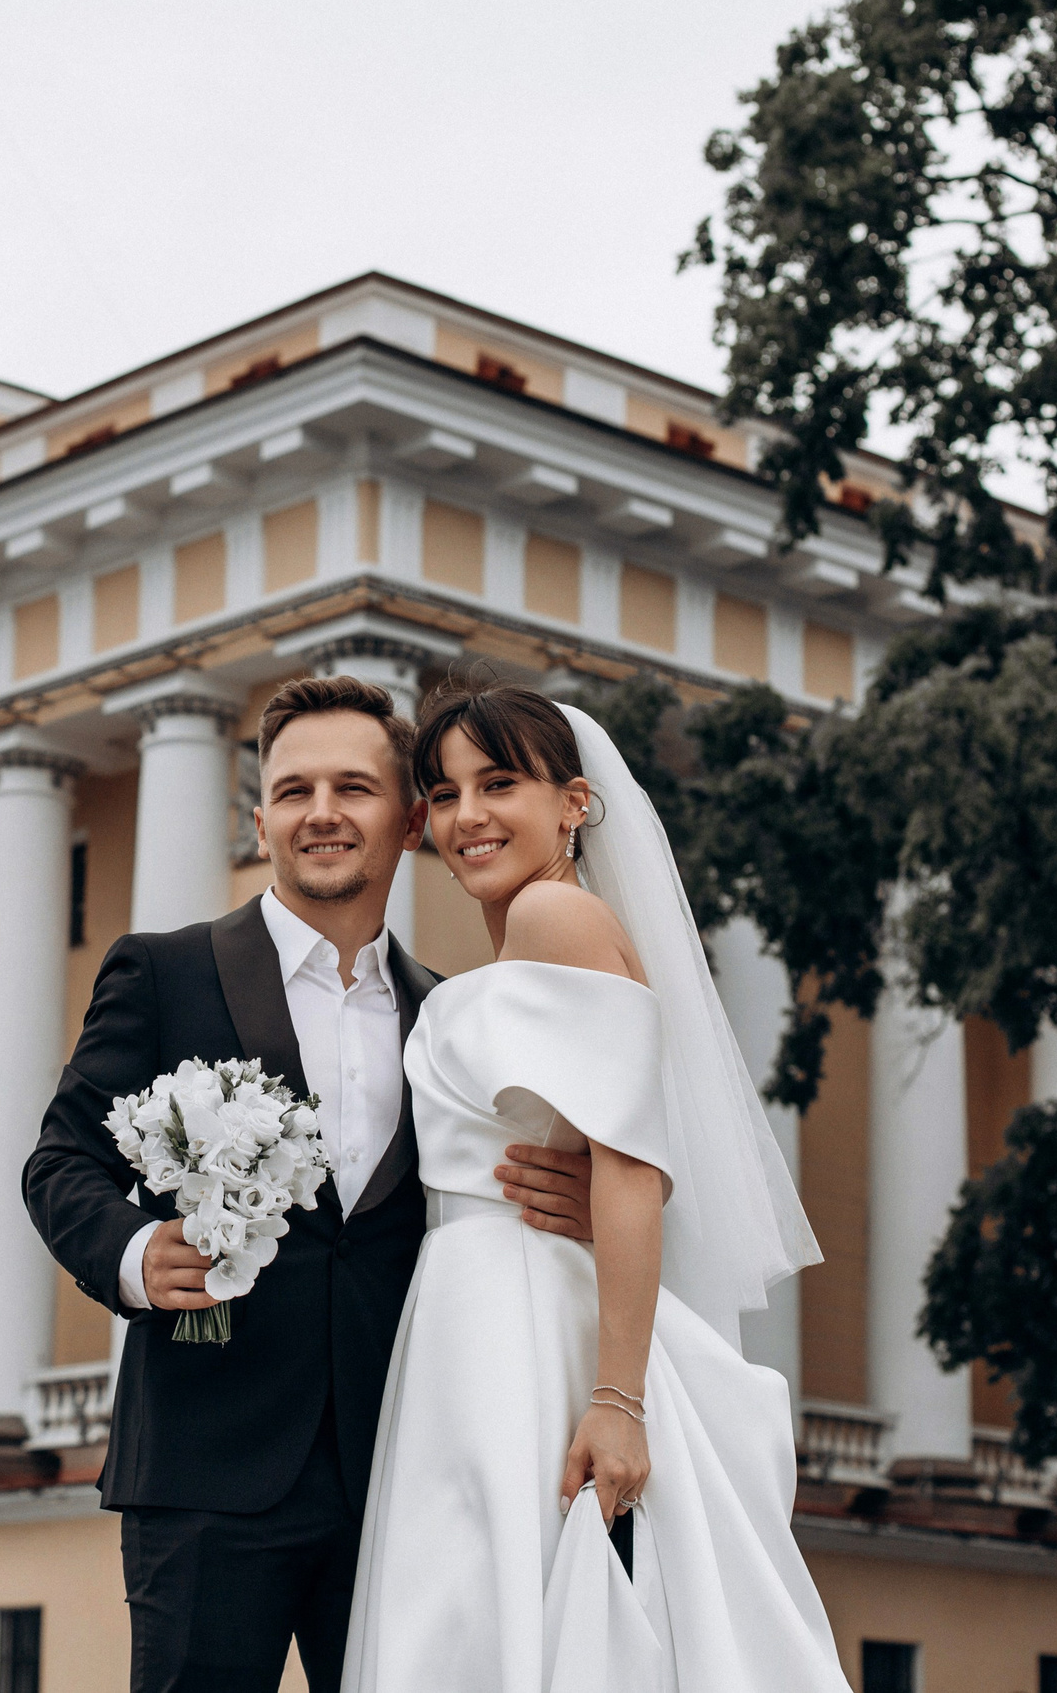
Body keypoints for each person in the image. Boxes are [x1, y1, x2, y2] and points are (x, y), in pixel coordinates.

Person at [21, 675, 598, 1693]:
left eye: (352, 788)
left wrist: (574, 1213)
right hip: (204, 1471)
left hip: (403, 1471)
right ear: (259, 820)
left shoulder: (453, 1015)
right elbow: (61, 1160)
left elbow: (485, 1194)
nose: (321, 814)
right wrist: (130, 1255)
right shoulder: (164, 972)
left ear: (411, 819)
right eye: (292, 792)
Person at [341, 676, 842, 1690]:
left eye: (498, 783)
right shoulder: (534, 931)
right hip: (480, 1309)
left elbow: (628, 1162)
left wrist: (616, 1398)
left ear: (573, 802)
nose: (467, 816)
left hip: (522, 1325)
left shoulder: (551, 918)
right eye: (441, 794)